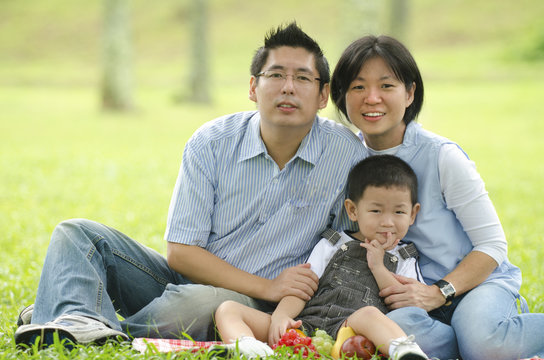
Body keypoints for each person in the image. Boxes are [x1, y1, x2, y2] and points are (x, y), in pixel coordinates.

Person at [14, 22, 367, 347]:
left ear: (323, 96)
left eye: (303, 78)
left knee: (202, 302)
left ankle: (68, 313)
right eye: (275, 74)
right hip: (187, 280)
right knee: (77, 233)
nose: (288, 87)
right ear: (252, 87)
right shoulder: (211, 142)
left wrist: (277, 296)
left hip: (250, 308)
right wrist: (268, 284)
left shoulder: (346, 157)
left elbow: (346, 249)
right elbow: (181, 253)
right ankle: (71, 313)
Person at [330, 35, 544, 360]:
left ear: (410, 92)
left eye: (386, 86)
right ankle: (478, 339)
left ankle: (485, 335)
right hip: (410, 300)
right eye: (358, 87)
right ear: (341, 95)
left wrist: (438, 292)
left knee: (485, 343)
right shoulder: (343, 159)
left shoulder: (441, 156)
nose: (371, 98)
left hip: (473, 284)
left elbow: (492, 245)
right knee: (393, 335)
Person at [214, 155, 428, 360]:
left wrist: (379, 268)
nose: (388, 222)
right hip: (305, 326)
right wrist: (281, 316)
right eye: (376, 211)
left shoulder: (404, 257)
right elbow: (303, 286)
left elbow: (404, 308)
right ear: (353, 210)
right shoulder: (333, 243)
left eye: (399, 212)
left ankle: (405, 352)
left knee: (369, 314)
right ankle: (250, 349)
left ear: (412, 214)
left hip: (351, 332)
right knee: (228, 309)